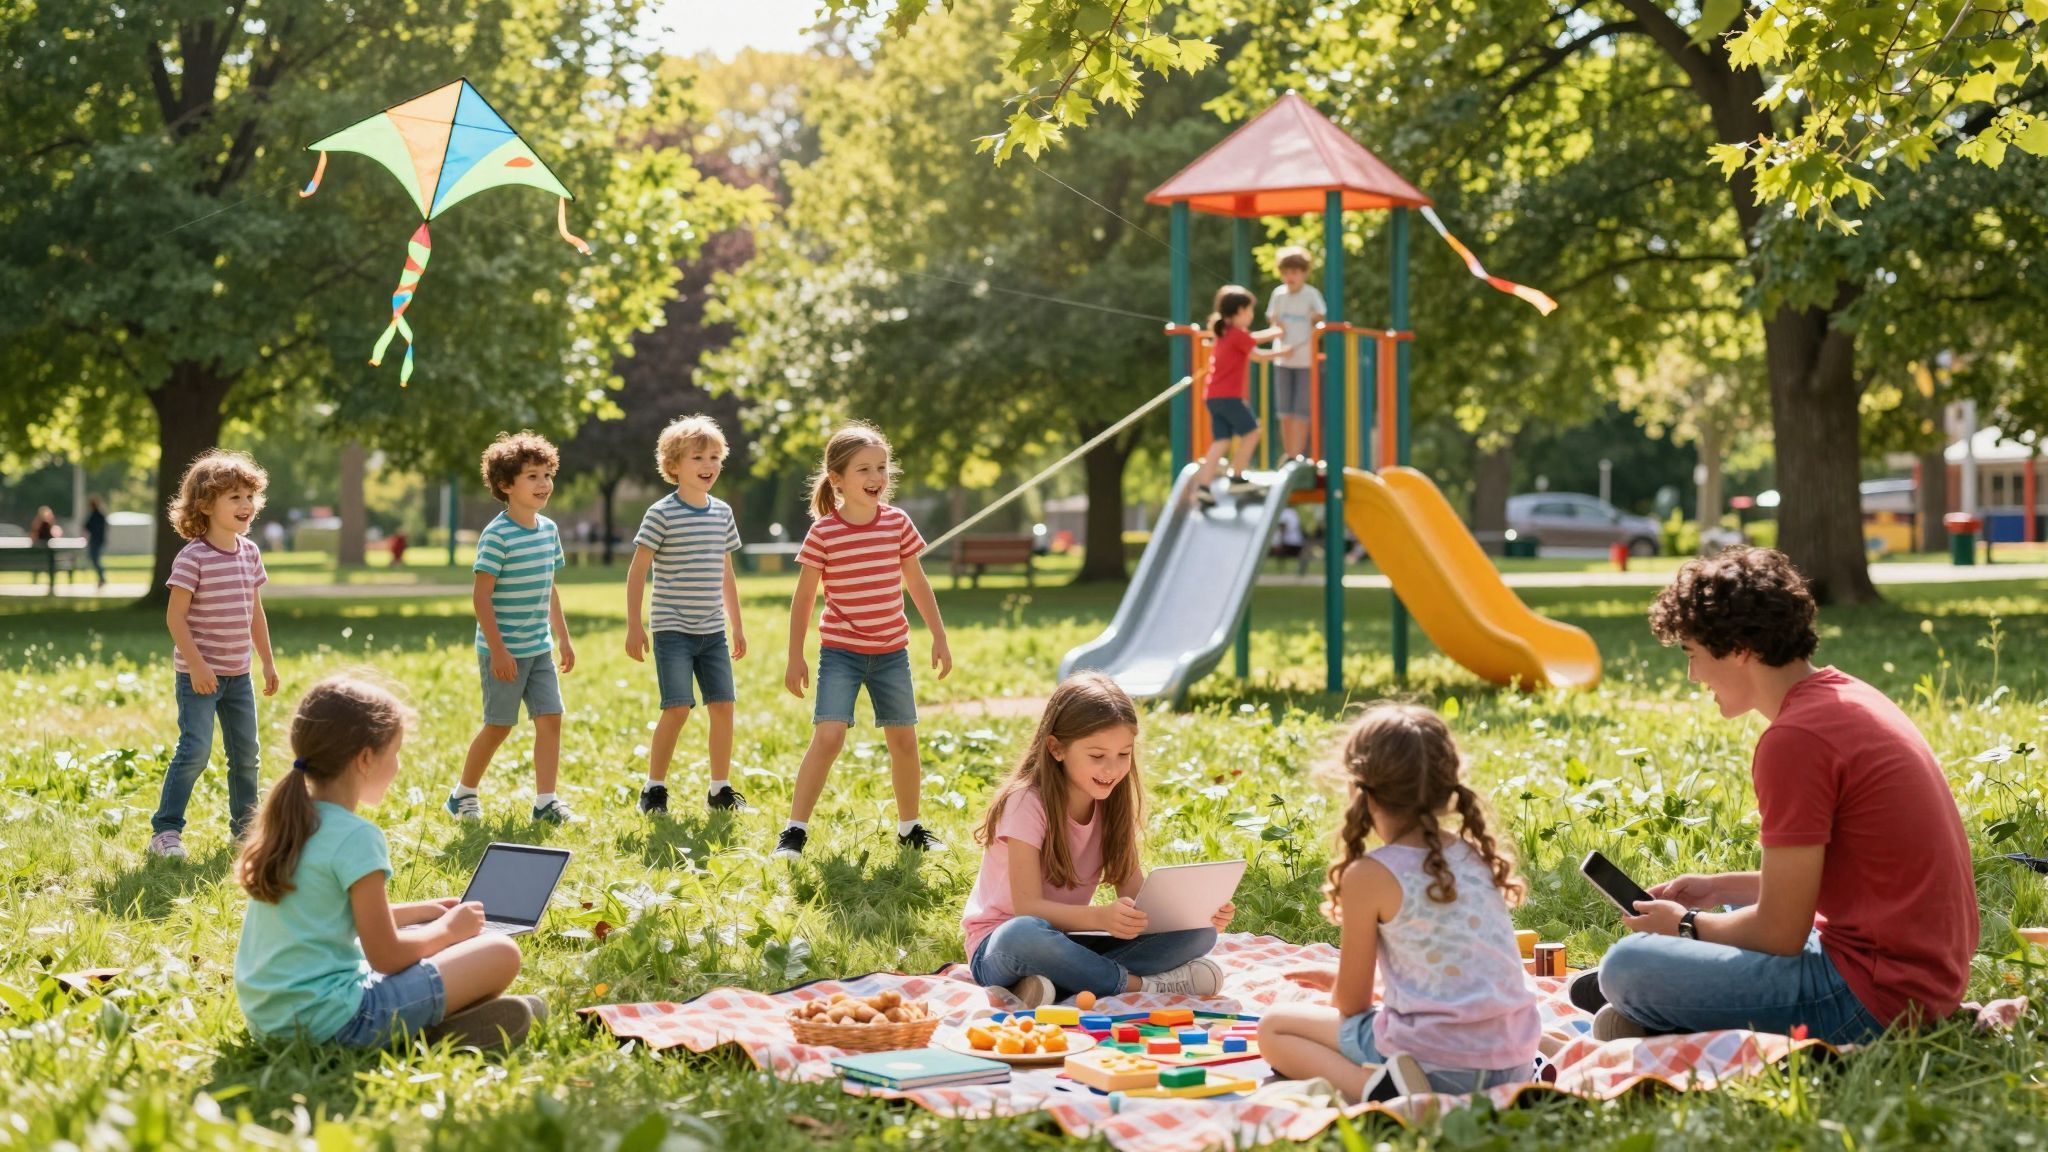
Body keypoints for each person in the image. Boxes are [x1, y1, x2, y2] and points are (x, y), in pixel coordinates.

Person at [1578, 547, 1978, 1044]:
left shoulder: (1794, 740)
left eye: (1693, 655)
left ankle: (1657, 1003)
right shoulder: (1847, 695)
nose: (1693, 677)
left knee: (1625, 966)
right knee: (1723, 920)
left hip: (1874, 1000)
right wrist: (1720, 888)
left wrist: (1685, 927)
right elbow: (1837, 877)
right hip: (1923, 979)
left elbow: (1780, 933)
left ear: (1740, 647)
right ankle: (1664, 1008)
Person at [235, 675, 543, 1049]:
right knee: (501, 951)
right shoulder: (357, 837)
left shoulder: (293, 821)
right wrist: (449, 932)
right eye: (394, 753)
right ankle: (424, 1036)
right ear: (365, 758)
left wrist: (426, 912)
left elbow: (330, 917)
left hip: (271, 1022)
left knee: (422, 936)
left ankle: (433, 1024)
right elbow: (386, 956)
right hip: (338, 1023)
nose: (397, 766)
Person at [1259, 703, 1538, 1099]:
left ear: (1361, 789)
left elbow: (1352, 1005)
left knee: (1275, 1027)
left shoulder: (1370, 875)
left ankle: (1385, 1093)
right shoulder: (1474, 853)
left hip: (1437, 1065)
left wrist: (1340, 986)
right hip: (1515, 1060)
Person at [961, 672, 1231, 1007]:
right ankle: (1139, 985)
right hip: (1000, 946)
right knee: (1026, 934)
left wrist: (1198, 914)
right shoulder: (1025, 803)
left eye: (1124, 754)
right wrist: (1101, 918)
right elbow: (1026, 909)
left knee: (1199, 935)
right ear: (1057, 748)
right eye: (1097, 756)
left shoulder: (1112, 806)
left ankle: (1052, 984)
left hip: (1070, 942)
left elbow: (1135, 895)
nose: (1112, 769)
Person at [774, 422, 951, 859]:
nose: (876, 478)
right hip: (841, 653)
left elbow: (917, 582)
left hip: (892, 652)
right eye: (864, 470)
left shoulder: (897, 524)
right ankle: (794, 832)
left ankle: (910, 828)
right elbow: (802, 600)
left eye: (882, 468)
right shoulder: (824, 533)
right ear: (837, 479)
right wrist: (795, 656)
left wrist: (939, 636)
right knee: (830, 736)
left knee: (904, 741)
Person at [149, 450, 280, 859]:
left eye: (248, 497)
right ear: (205, 505)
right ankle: (165, 832)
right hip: (199, 676)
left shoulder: (250, 553)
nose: (245, 506)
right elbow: (175, 618)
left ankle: (246, 831)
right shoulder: (193, 557)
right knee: (195, 751)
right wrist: (198, 665)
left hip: (238, 675)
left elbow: (254, 610)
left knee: (246, 756)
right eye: (233, 498)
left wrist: (268, 661)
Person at [446, 432, 578, 825]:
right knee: (499, 725)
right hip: (502, 651)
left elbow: (549, 587)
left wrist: (563, 638)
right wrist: (499, 650)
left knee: (550, 718)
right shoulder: (497, 535)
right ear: (506, 485)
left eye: (547, 475)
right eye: (533, 477)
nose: (544, 484)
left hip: (538, 648)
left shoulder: (548, 531)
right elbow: (481, 598)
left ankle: (545, 802)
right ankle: (463, 794)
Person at [625, 415, 748, 815]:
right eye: (698, 457)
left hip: (712, 630)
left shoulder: (722, 513)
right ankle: (654, 789)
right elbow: (638, 571)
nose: (708, 464)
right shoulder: (661, 514)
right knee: (677, 707)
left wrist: (737, 624)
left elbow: (725, 571)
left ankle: (719, 790)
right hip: (672, 628)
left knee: (724, 706)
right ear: (674, 465)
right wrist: (634, 624)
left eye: (714, 456)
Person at [1192, 285, 1288, 506]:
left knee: (1222, 440)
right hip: (1229, 397)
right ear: (1238, 312)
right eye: (1249, 311)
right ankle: (1236, 476)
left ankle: (1204, 486)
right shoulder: (1237, 334)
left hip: (1213, 397)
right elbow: (1256, 348)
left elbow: (1254, 348)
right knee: (1253, 432)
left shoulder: (1224, 333)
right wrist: (1281, 341)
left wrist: (1278, 342)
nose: (1251, 315)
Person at [1266, 247, 1327, 460]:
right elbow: (1272, 318)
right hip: (1282, 358)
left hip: (1305, 360)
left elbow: (1321, 316)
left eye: (1295, 272)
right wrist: (1277, 325)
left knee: (1302, 409)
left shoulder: (1311, 294)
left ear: (1304, 273)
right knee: (1285, 409)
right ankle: (1289, 453)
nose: (1290, 277)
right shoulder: (1278, 294)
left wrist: (1314, 319)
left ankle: (1298, 453)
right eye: (1286, 272)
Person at [83, 496, 109, 587]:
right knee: (95, 559)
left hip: (96, 540)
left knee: (95, 559)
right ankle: (101, 578)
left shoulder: (96, 515)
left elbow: (87, 526)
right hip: (97, 540)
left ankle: (102, 578)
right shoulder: (99, 515)